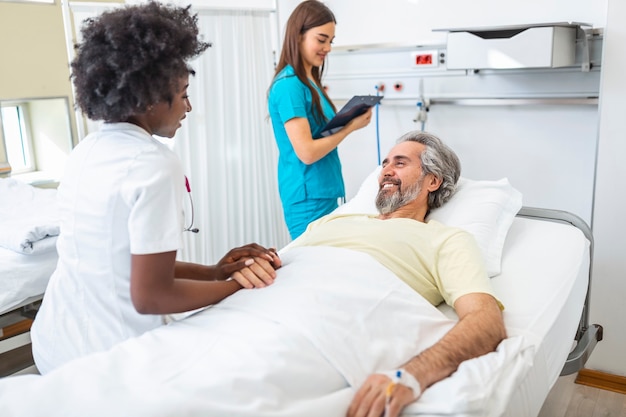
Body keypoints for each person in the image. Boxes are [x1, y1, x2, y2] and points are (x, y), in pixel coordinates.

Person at [30, 2, 281, 375]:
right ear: (148, 98)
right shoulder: (152, 163)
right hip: (107, 358)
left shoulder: (87, 151)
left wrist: (214, 272)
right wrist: (237, 287)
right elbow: (152, 296)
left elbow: (123, 265)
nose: (189, 106)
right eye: (182, 94)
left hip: (54, 341)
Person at [287, 130, 507, 417]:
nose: (386, 172)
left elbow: (486, 321)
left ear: (433, 180)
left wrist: (412, 375)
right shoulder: (334, 220)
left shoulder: (445, 240)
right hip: (266, 303)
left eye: (400, 164)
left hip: (321, 330)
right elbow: (280, 262)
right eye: (385, 164)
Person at [268, 0, 373, 240]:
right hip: (307, 196)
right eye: (321, 39)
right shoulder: (289, 86)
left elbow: (319, 134)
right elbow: (307, 152)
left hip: (324, 190)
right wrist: (349, 128)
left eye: (330, 41)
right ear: (299, 36)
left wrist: (345, 120)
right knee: (316, 268)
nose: (327, 48)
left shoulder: (309, 82)